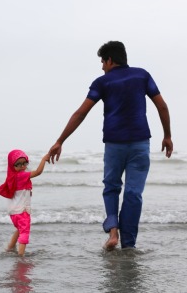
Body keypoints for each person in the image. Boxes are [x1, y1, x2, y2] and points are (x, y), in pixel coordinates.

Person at [48, 41, 173, 250]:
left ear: (110, 60)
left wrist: (60, 141)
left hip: (115, 145)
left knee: (112, 187)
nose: (102, 67)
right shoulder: (142, 75)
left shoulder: (102, 82)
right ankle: (129, 245)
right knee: (134, 194)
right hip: (140, 144)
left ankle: (113, 232)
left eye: (102, 62)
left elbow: (81, 113)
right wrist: (167, 136)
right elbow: (162, 105)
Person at [0, 149, 50, 256]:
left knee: (20, 229)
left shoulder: (11, 177)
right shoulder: (21, 175)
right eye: (18, 164)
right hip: (22, 211)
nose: (22, 166)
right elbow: (38, 172)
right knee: (25, 232)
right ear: (12, 165)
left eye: (24, 163)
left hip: (13, 212)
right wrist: (44, 159)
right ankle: (21, 255)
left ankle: (10, 247)